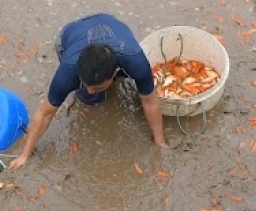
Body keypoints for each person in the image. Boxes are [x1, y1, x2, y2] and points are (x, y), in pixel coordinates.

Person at [9, 12, 169, 168]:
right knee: (92, 99)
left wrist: (159, 141)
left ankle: (106, 81)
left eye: (96, 87)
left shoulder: (136, 61)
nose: (91, 90)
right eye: (86, 84)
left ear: (114, 71)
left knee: (137, 81)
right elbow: (44, 114)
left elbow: (150, 101)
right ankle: (91, 86)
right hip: (71, 33)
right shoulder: (68, 71)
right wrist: (24, 155)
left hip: (111, 23)